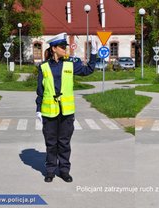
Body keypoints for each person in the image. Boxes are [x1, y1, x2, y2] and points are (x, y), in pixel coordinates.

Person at [35, 32, 97, 183]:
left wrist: (94, 54)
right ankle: (50, 171)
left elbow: (88, 70)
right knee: (51, 143)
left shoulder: (71, 64)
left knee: (64, 143)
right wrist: (38, 109)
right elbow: (40, 90)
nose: (65, 49)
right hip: (49, 111)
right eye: (63, 47)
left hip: (67, 112)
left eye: (65, 47)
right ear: (54, 48)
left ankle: (64, 171)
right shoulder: (43, 67)